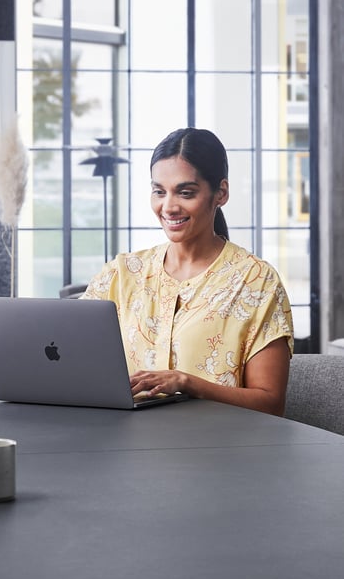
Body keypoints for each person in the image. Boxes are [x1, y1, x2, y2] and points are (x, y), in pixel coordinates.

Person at [81, 127, 293, 415]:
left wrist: (187, 383)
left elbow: (270, 405)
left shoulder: (257, 282)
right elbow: (75, 364)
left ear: (221, 193)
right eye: (159, 191)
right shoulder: (120, 274)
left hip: (221, 451)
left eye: (185, 192)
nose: (168, 207)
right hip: (125, 446)